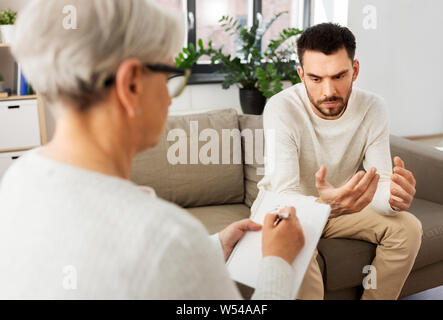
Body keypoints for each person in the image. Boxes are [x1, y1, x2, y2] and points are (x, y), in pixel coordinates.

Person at [0, 0, 305, 299]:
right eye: (168, 76)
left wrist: (212, 247)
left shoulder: (17, 179)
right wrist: (277, 261)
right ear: (131, 84)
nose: (169, 98)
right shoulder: (168, 238)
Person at [256, 23, 423, 300]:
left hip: (341, 207)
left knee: (408, 227)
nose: (328, 92)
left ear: (354, 70)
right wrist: (325, 206)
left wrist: (393, 198)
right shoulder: (281, 107)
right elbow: (286, 196)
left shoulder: (373, 107)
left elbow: (379, 182)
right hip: (286, 211)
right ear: (301, 75)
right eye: (316, 78)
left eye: (339, 76)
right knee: (297, 248)